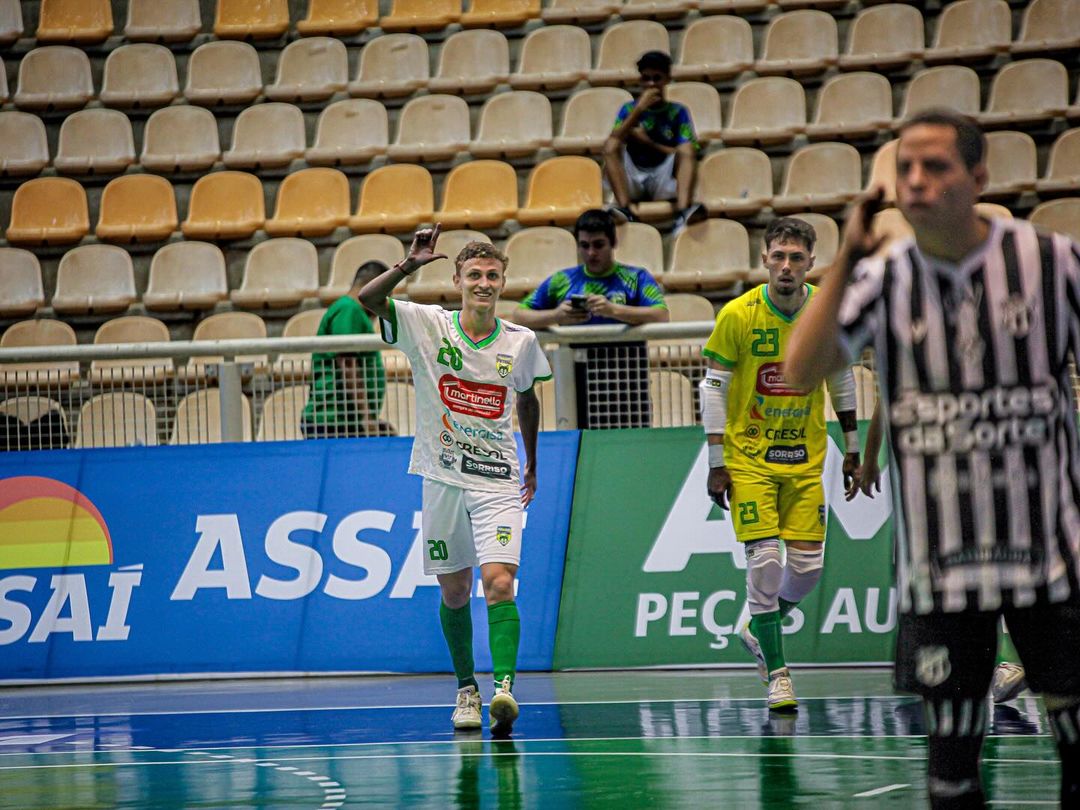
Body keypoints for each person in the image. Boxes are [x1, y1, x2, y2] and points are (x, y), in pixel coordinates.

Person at [784, 108, 1080, 807]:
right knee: (950, 777)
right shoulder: (882, 277)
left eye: (936, 166)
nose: (916, 181)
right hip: (937, 572)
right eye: (904, 168)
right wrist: (847, 257)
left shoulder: (1050, 261)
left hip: (1054, 559)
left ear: (978, 176)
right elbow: (802, 371)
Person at [358, 225, 551, 738]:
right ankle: (467, 687)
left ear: (503, 281)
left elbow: (528, 399)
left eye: (492, 275)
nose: (483, 283)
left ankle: (504, 690)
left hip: (498, 480)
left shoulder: (521, 341)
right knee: (456, 591)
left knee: (500, 583)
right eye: (474, 275)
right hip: (442, 478)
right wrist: (408, 264)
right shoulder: (428, 325)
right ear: (458, 279)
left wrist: (531, 461)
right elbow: (367, 298)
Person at [699, 216, 862, 711]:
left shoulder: (826, 313)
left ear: (811, 263)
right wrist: (716, 460)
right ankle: (778, 673)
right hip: (748, 458)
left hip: (805, 457)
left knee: (808, 570)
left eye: (797, 257)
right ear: (765, 259)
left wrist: (853, 448)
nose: (787, 265)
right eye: (778, 256)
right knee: (767, 563)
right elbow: (713, 386)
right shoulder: (738, 314)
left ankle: (754, 627)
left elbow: (842, 380)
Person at [854, 400, 1030, 705]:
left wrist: (869, 461)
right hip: (936, 493)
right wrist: (869, 461)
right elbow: (885, 403)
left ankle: (1003, 662)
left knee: (986, 573)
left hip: (957, 489)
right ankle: (992, 664)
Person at [512, 208, 669, 429]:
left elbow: (661, 315)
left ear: (613, 242)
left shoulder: (635, 277)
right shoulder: (562, 280)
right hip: (578, 384)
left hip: (628, 382)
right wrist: (556, 315)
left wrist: (613, 310)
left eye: (598, 245)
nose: (591, 253)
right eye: (584, 246)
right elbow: (519, 315)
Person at [602, 50, 705, 234]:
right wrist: (638, 110)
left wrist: (649, 142)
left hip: (663, 179)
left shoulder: (678, 111)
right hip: (633, 177)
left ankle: (682, 212)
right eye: (646, 78)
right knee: (611, 146)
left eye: (656, 78)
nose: (651, 84)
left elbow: (683, 152)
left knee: (687, 149)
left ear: (666, 79)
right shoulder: (628, 109)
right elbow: (612, 142)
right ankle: (625, 209)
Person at [301, 261, 388, 439]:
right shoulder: (349, 310)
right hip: (333, 421)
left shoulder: (351, 310)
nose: (384, 301)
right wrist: (366, 417)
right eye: (384, 293)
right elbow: (347, 363)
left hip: (343, 420)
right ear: (372, 286)